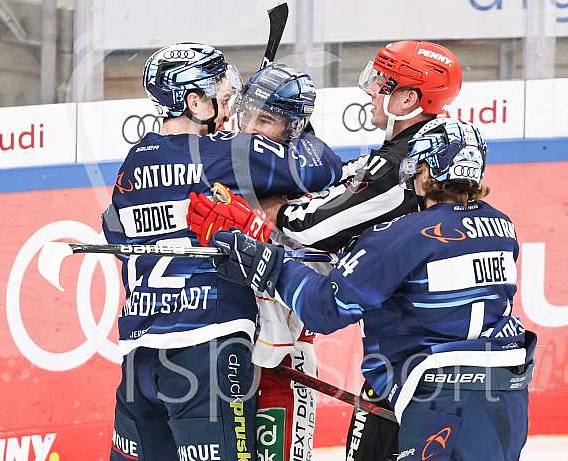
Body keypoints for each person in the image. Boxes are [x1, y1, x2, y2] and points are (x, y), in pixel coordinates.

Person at [186, 40, 464, 461]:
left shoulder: (401, 164)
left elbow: (319, 219)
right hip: (236, 353)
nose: (370, 89)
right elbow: (343, 178)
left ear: (409, 98)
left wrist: (265, 212)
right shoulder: (394, 155)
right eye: (251, 117)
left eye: (383, 82)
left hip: (393, 363)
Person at [208, 118, 536, 461]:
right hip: (507, 393)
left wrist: (270, 264)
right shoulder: (502, 227)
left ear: (425, 174)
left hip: (439, 402)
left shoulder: (399, 236)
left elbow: (326, 309)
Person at [102, 43, 342, 461]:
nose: (228, 100)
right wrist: (298, 128)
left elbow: (112, 230)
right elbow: (321, 167)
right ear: (194, 101)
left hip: (139, 353)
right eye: (218, 89)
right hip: (208, 349)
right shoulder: (227, 152)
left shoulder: (133, 160)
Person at [188, 63, 327, 461]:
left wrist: (260, 232)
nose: (249, 127)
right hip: (217, 349)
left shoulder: (305, 186)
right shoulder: (222, 156)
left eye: (264, 120)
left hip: (280, 361)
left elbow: (319, 281)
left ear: (293, 130)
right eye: (247, 112)